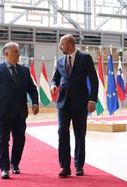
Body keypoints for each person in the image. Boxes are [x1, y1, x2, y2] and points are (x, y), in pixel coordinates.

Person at [0, 42, 39, 179]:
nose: (18, 54)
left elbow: (32, 89)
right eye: (14, 51)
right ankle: (4, 169)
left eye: (18, 51)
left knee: (20, 140)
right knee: (3, 140)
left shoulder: (24, 71)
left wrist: (35, 103)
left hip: (20, 113)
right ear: (6, 54)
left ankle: (14, 164)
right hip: (2, 113)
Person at [50, 34, 98, 178]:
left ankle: (78, 166)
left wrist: (92, 100)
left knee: (79, 134)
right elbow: (55, 78)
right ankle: (65, 166)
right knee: (62, 132)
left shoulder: (85, 58)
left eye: (62, 44)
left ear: (70, 45)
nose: (60, 46)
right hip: (63, 103)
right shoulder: (59, 61)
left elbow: (94, 80)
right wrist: (53, 85)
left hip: (80, 103)